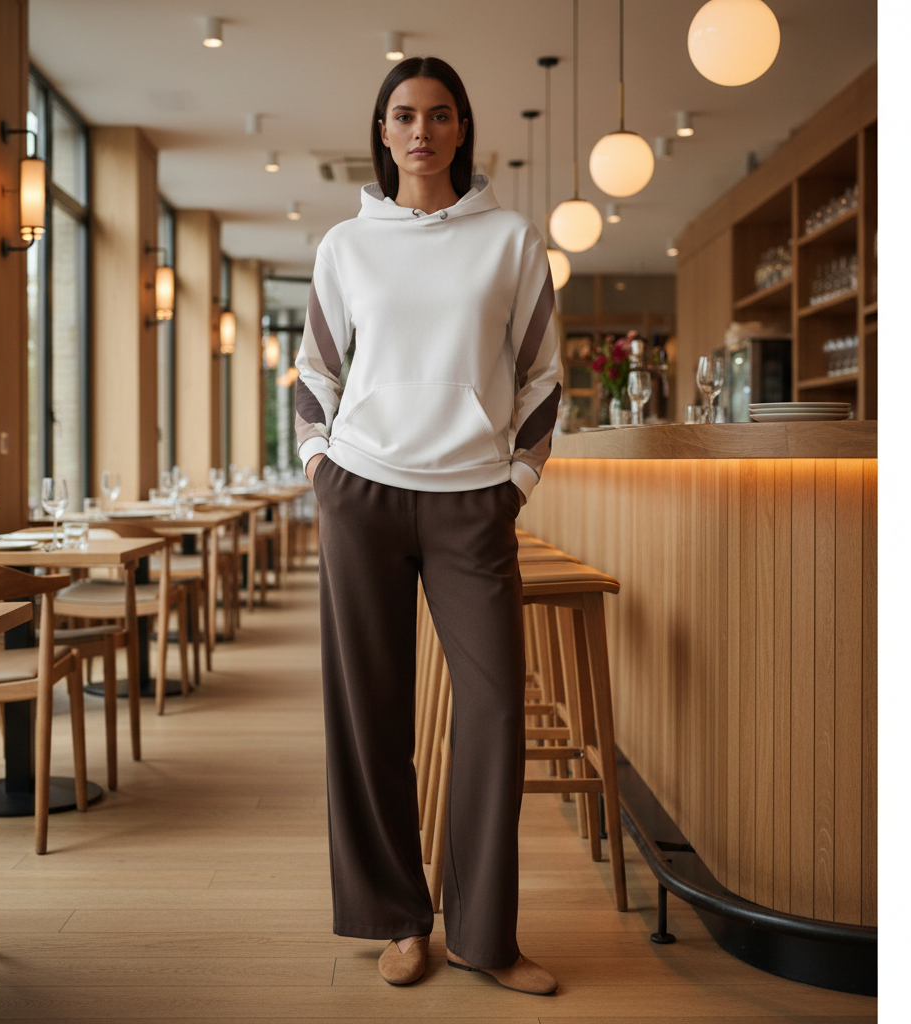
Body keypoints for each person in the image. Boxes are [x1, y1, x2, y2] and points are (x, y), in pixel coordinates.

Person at [294, 55, 562, 996]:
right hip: (361, 491)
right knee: (369, 711)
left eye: (440, 115)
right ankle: (399, 922)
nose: (422, 131)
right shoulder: (345, 245)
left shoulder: (512, 241)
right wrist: (321, 469)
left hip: (472, 499)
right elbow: (315, 375)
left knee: (491, 711)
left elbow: (542, 378)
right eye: (404, 115)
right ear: (381, 130)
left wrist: (517, 481)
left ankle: (488, 935)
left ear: (461, 129)